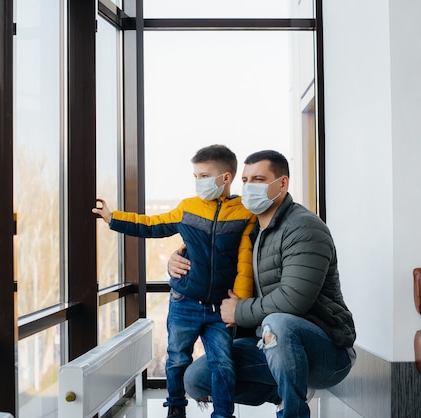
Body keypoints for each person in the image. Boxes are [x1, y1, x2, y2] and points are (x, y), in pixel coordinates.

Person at [168, 150, 356, 418]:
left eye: (258, 179)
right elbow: (209, 264)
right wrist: (176, 264)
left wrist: (239, 311)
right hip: (265, 343)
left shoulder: (304, 228)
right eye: (245, 180)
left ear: (282, 183)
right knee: (196, 379)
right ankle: (282, 392)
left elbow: (294, 300)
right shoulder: (246, 229)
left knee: (278, 323)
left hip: (325, 350)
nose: (248, 187)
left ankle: (293, 411)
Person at [92, 144, 256, 418]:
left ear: (226, 178)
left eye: (203, 176)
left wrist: (237, 303)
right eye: (195, 176)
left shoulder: (244, 213)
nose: (198, 182)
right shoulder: (187, 208)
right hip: (185, 303)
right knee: (177, 359)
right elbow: (151, 225)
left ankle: (224, 414)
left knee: (224, 364)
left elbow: (245, 263)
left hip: (220, 310)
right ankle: (176, 409)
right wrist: (113, 218)